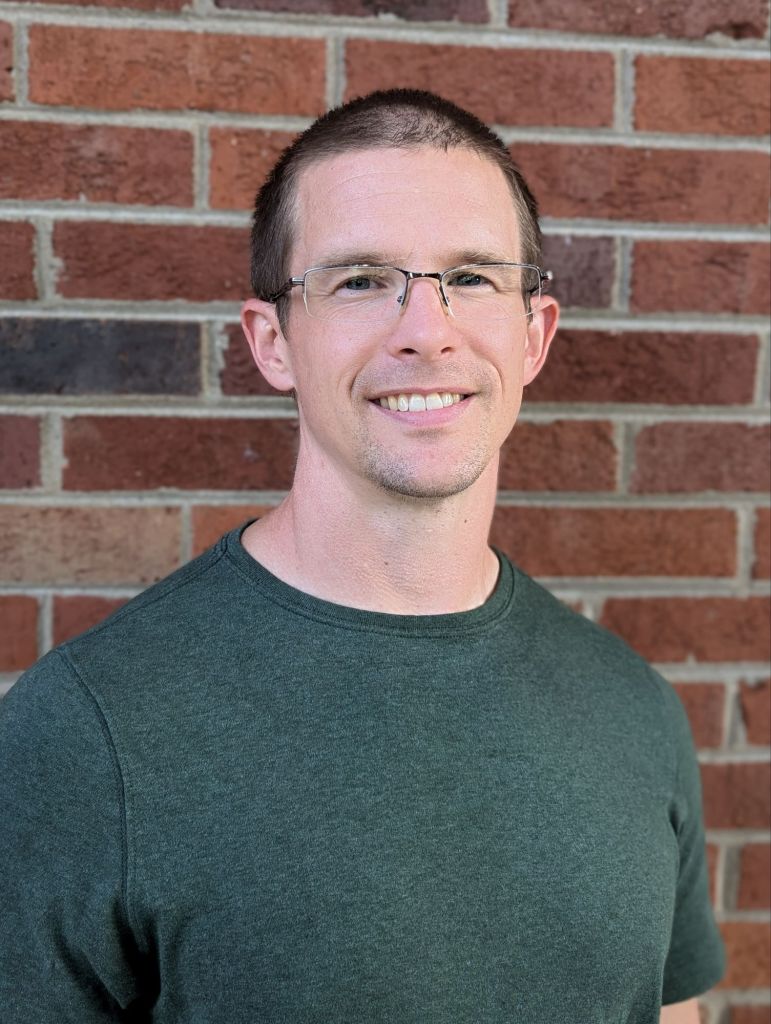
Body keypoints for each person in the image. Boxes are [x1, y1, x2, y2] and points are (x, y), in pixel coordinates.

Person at [0, 89, 724, 1023]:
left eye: (471, 278)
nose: (426, 329)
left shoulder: (632, 708)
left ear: (533, 336)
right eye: (360, 281)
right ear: (273, 343)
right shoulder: (85, 731)